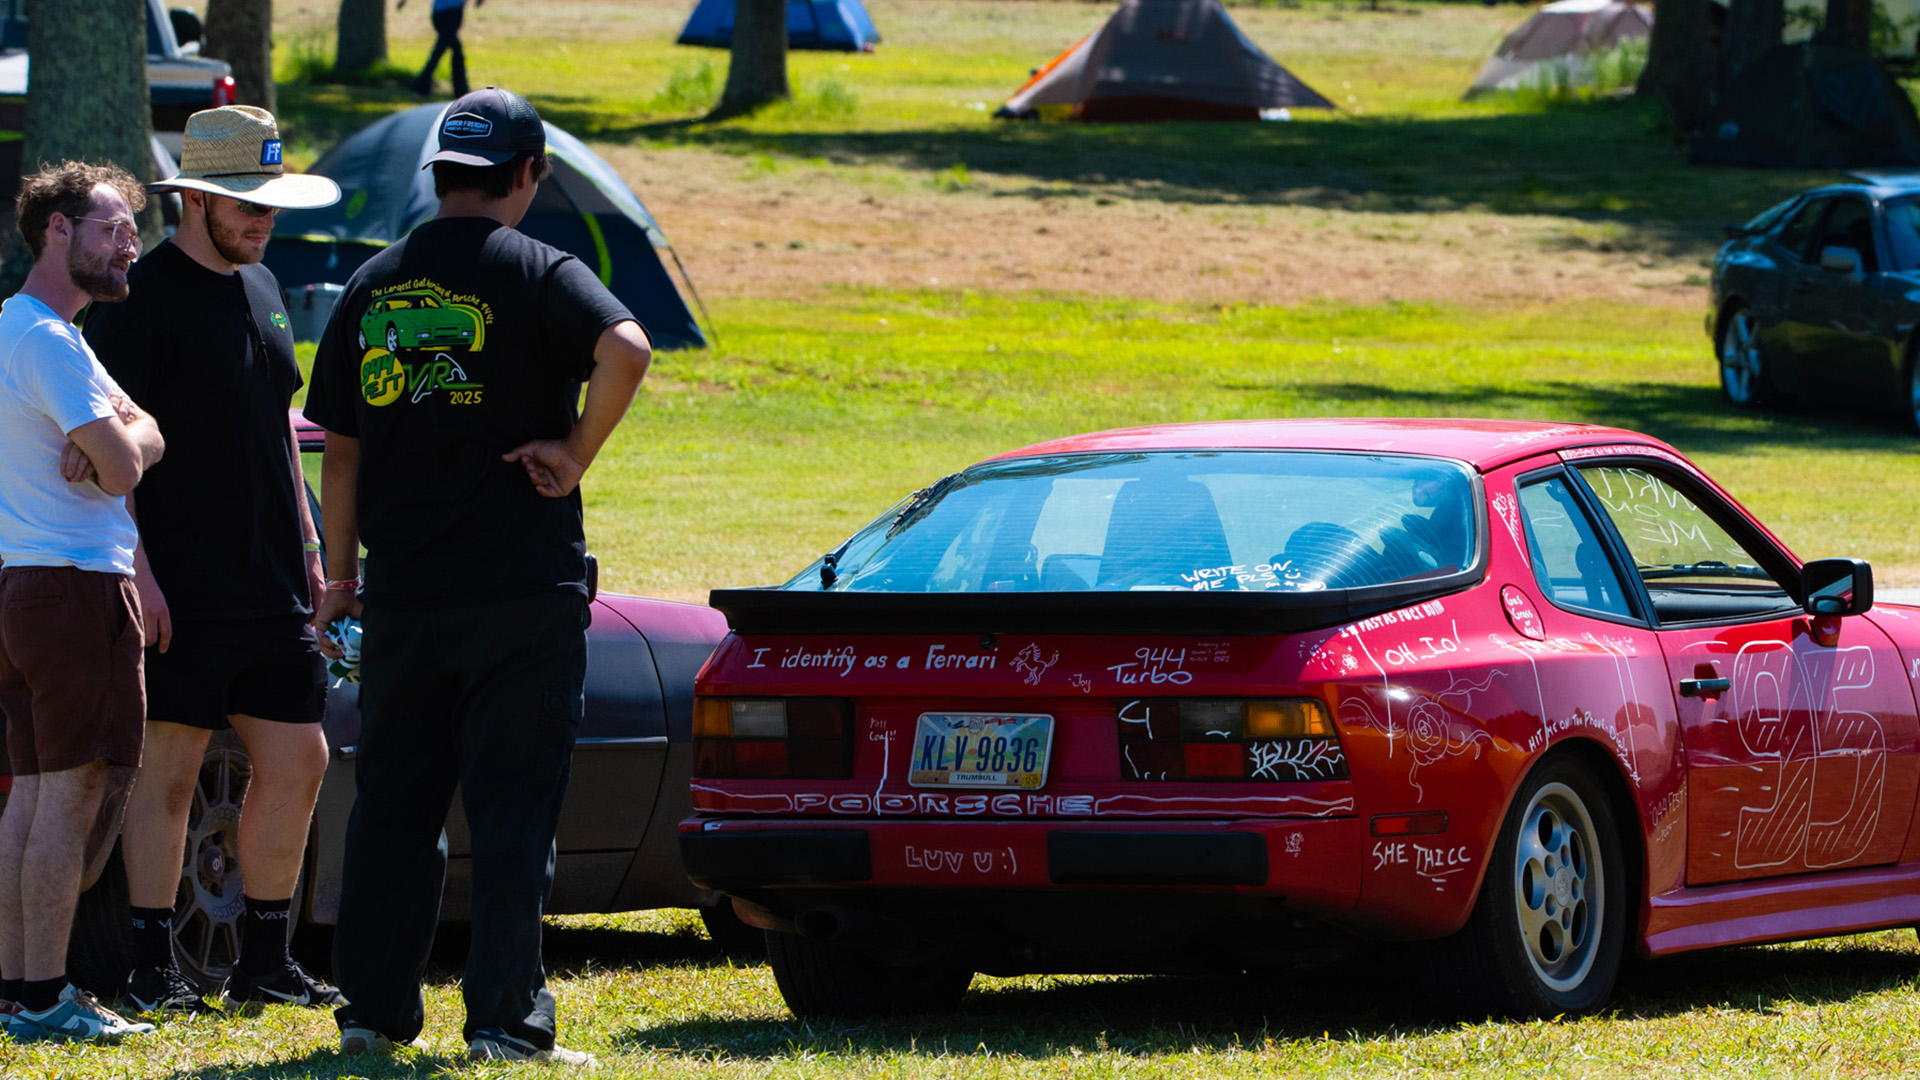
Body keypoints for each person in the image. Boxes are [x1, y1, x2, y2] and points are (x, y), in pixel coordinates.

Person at [306, 86, 651, 1065]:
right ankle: (503, 1023)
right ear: (530, 174)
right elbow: (628, 345)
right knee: (512, 816)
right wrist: (576, 452)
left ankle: (371, 1015)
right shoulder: (542, 267)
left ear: (439, 176)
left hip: (407, 594)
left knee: (395, 812)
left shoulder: (376, 284)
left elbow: (340, 444)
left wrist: (339, 579)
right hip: (521, 593)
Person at [83, 105, 345, 1016]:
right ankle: (152, 969)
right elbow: (105, 450)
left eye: (271, 202)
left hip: (273, 575)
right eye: (245, 203)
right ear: (193, 196)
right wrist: (141, 573)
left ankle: (266, 961)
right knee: (170, 773)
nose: (263, 219)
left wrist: (311, 546)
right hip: (179, 582)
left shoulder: (266, 285)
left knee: (301, 759)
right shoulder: (136, 301)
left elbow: (278, 419)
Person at [0, 161, 165, 1041]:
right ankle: (46, 995)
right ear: (56, 232)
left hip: (26, 588)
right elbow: (132, 462)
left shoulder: (32, 330)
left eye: (131, 229)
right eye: (110, 228)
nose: (128, 243)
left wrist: (116, 437)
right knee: (78, 790)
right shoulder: (51, 343)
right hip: (70, 587)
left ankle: (21, 989)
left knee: (33, 792)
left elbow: (144, 430)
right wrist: (115, 444)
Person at [406, 0, 485, 97]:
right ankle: (421, 86)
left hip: (438, 13)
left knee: (455, 49)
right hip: (452, 12)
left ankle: (460, 90)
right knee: (441, 50)